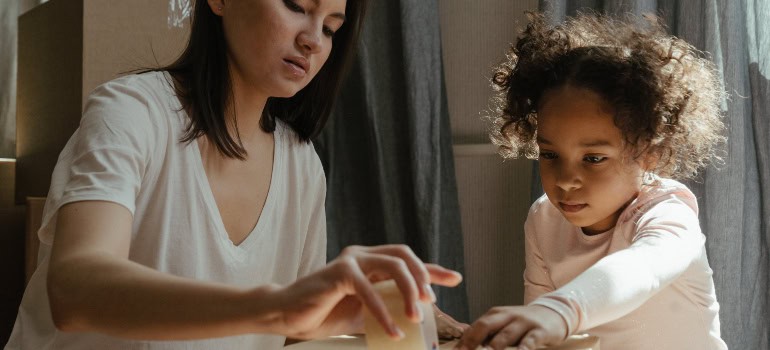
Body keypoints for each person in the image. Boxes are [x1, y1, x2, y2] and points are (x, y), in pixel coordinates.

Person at [5, 0, 465, 349]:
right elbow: (75, 290)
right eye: (295, 7)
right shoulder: (131, 112)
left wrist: (357, 313)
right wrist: (282, 307)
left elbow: (287, 331)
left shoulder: (302, 165)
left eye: (329, 27)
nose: (313, 40)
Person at [455, 12, 728, 350]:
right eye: (550, 155)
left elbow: (643, 268)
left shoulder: (668, 212)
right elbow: (542, 332)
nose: (566, 181)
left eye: (594, 159)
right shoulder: (544, 219)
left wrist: (559, 310)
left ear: (649, 153)